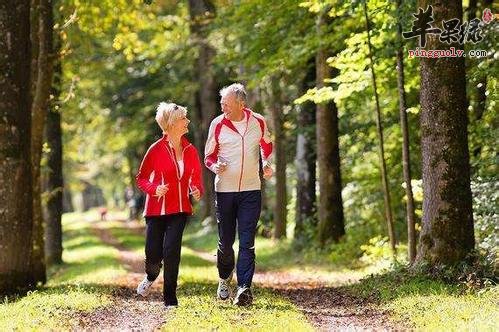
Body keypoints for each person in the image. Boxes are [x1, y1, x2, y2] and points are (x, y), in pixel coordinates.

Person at [204, 83, 273, 306]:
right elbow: (208, 156)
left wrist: (267, 163)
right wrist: (215, 167)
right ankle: (224, 279)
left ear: (241, 103)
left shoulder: (258, 121)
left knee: (247, 241)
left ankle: (244, 288)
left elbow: (267, 145)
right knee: (226, 243)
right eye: (222, 102)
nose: (222, 106)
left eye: (227, 103)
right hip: (224, 190)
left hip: (251, 190)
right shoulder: (217, 124)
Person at [135, 102, 203, 308]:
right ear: (172, 123)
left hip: (180, 208)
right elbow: (141, 178)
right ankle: (150, 275)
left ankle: (170, 299)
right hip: (156, 210)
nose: (187, 121)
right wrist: (154, 189)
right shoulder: (155, 150)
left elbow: (195, 176)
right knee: (153, 255)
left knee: (172, 251)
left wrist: (196, 188)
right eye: (184, 118)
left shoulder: (190, 150)